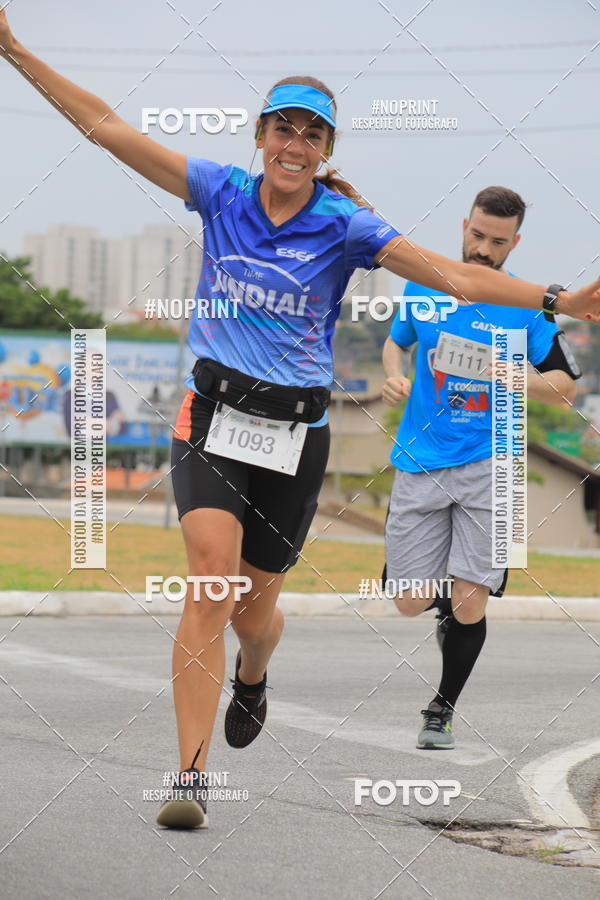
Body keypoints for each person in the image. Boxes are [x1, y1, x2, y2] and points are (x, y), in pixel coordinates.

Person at [3, 10, 600, 829]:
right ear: (260, 135)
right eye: (283, 126)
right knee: (209, 583)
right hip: (211, 415)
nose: (295, 143)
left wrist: (555, 301)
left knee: (253, 612)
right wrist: (14, 49)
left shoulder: (345, 226)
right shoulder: (217, 191)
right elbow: (107, 129)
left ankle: (255, 669)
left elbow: (453, 276)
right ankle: (189, 778)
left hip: (295, 434)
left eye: (312, 133)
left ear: (326, 151)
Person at [382, 186, 581, 750]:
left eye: (497, 242)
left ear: (514, 243)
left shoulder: (528, 303)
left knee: (471, 601)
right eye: (477, 235)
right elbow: (395, 344)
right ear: (462, 226)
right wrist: (394, 375)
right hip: (421, 454)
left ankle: (441, 709)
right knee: (410, 600)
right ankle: (441, 591)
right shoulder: (423, 283)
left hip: (494, 458)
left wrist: (504, 372)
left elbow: (565, 383)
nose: (484, 250)